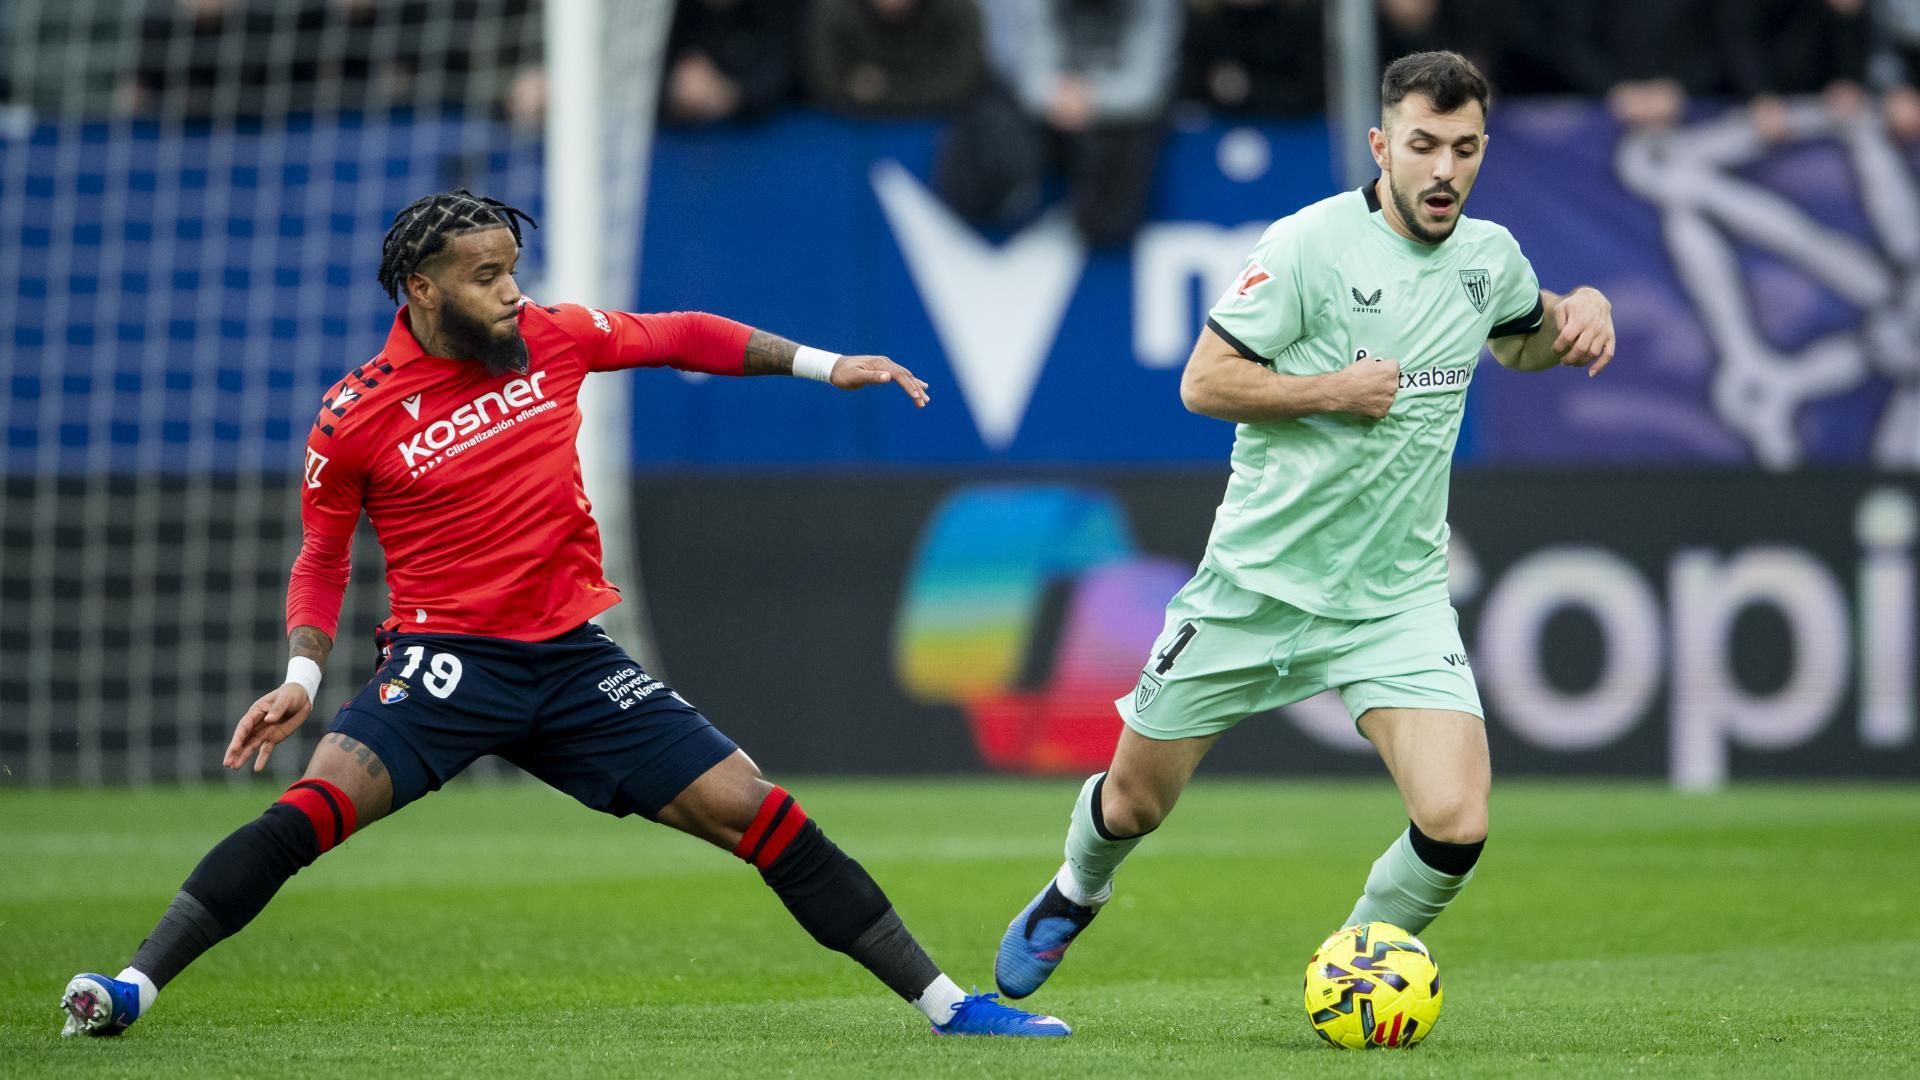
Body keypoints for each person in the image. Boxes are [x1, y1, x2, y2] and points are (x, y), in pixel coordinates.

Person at [61, 189, 1070, 1040]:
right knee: (309, 816)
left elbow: (680, 335)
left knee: (764, 814)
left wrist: (824, 362)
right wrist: (302, 677)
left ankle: (949, 1008)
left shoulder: (555, 339)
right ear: (421, 290)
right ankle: (130, 989)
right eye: (485, 276)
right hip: (446, 668)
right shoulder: (357, 415)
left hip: (576, 665)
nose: (512, 292)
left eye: (512, 269)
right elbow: (323, 554)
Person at [992, 52, 1616, 1001]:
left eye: (1463, 148)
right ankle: (1076, 891)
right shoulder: (1307, 246)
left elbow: (1524, 338)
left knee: (1457, 818)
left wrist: (1582, 310)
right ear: (1382, 146)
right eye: (1422, 146)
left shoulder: (1490, 258)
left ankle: (1360, 961)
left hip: (1393, 600)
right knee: (1133, 801)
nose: (1443, 170)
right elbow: (1203, 382)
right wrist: (1333, 389)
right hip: (1255, 586)